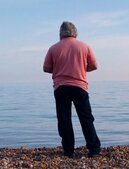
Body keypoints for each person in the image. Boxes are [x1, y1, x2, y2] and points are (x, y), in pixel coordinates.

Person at [43, 21, 101, 157]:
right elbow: (94, 66)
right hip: (80, 86)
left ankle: (68, 151)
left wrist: (57, 68)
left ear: (60, 33)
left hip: (61, 87)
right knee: (86, 118)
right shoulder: (85, 46)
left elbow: (46, 68)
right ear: (75, 32)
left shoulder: (53, 48)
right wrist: (81, 68)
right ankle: (94, 149)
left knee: (64, 119)